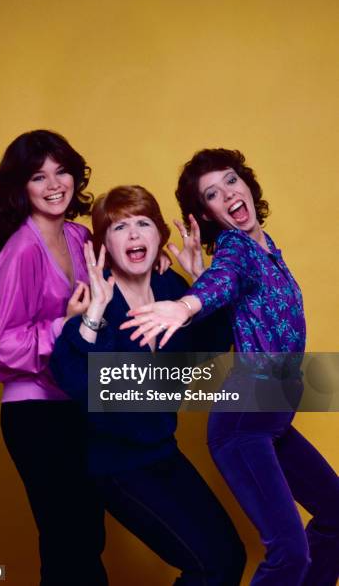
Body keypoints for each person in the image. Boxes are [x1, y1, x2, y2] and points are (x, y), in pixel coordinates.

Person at [121, 149, 339, 585]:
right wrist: (185, 305)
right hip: (245, 421)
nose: (229, 194)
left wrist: (198, 280)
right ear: (208, 213)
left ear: (247, 185)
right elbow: (224, 279)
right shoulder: (236, 247)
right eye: (213, 194)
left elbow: (223, 286)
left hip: (273, 414)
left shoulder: (267, 249)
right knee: (289, 553)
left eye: (231, 181)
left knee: (336, 517)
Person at [50, 185, 246, 586]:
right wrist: (94, 317)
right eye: (120, 227)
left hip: (162, 452)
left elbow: (211, 347)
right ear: (105, 243)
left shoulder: (172, 289)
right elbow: (73, 380)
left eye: (143, 223)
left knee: (230, 557)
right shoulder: (97, 296)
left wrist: (202, 283)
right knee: (209, 565)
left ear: (160, 235)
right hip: (115, 464)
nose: (135, 235)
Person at [0, 129, 107, 586]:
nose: (55, 184)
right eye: (39, 176)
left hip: (76, 402)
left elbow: (117, 278)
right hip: (34, 413)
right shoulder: (19, 251)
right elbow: (6, 344)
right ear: (22, 188)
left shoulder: (78, 236)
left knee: (86, 535)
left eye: (61, 171)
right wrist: (66, 324)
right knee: (67, 538)